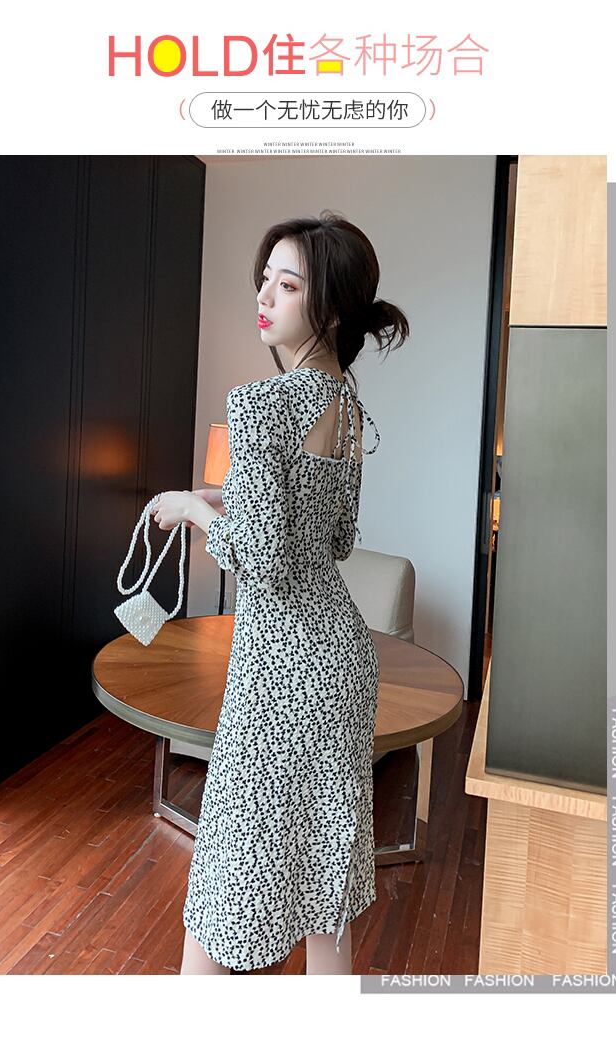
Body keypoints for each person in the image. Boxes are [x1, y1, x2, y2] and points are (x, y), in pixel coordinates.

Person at [150, 210, 409, 974]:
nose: (263, 296)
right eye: (265, 279)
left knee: (225, 878)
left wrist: (194, 507)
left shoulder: (262, 404)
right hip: (340, 662)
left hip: (281, 672)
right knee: (324, 884)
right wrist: (234, 499)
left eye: (286, 285)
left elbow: (264, 560)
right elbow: (334, 539)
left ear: (327, 307)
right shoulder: (347, 406)